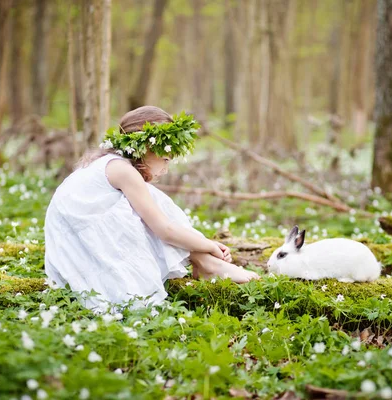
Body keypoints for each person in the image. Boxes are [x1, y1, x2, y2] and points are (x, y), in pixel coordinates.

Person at [44, 106, 259, 310]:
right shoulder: (122, 170)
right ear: (146, 147)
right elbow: (164, 229)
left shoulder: (111, 164)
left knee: (150, 198)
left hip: (73, 241)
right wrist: (209, 245)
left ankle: (205, 263)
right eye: (165, 159)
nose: (165, 170)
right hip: (78, 246)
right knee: (154, 201)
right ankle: (207, 264)